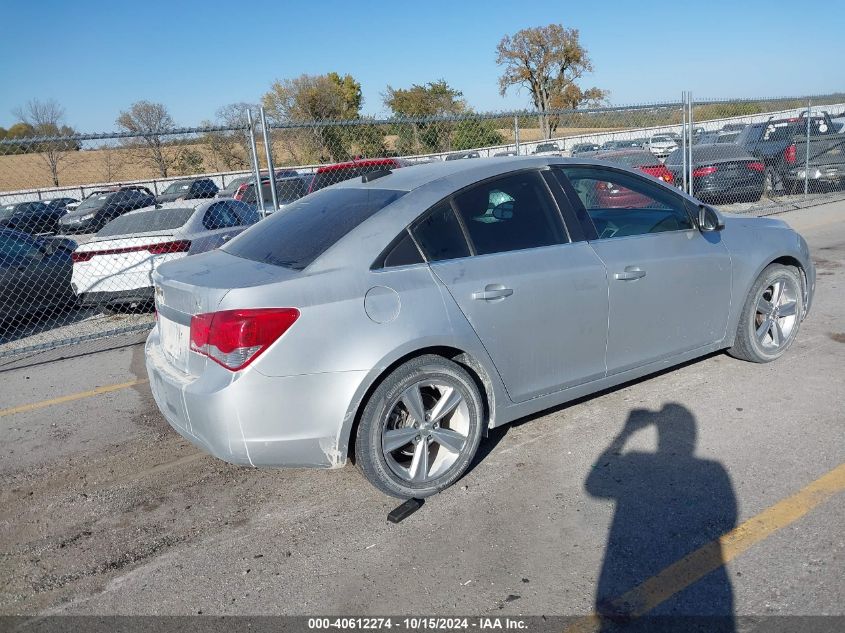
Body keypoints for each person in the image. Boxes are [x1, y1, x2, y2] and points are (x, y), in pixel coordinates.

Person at [585, 404, 737, 632]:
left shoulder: (637, 459)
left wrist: (625, 434)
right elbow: (729, 520)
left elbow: (593, 487)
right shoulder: (713, 468)